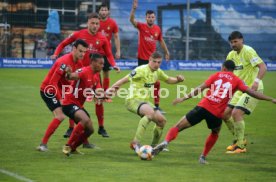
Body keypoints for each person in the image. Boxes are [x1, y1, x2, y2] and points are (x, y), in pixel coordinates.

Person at [152, 60, 276, 164]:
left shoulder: (216, 75)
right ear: (233, 70)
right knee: (215, 132)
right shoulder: (237, 80)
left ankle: (166, 141)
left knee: (178, 126)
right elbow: (253, 93)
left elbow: (200, 88)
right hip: (216, 113)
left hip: (202, 107)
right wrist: (270, 99)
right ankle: (203, 157)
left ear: (223, 67)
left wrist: (183, 98)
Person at [52, 13, 120, 139]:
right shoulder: (79, 34)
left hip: (94, 75)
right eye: (92, 23)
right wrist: (56, 53)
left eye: (97, 24)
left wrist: (114, 64)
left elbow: (109, 54)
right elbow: (64, 43)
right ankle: (71, 128)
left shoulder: (103, 38)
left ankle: (101, 127)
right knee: (74, 99)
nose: (95, 26)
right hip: (78, 75)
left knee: (99, 99)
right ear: (88, 22)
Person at [110, 52, 184, 153]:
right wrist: (109, 90)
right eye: (154, 61)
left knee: (162, 121)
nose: (156, 64)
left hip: (145, 102)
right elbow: (123, 80)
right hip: (132, 100)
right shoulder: (140, 70)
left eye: (159, 62)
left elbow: (168, 80)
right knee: (149, 114)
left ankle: (154, 148)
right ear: (149, 60)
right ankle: (135, 143)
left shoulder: (158, 72)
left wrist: (177, 80)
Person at [37, 39, 88, 152]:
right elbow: (52, 83)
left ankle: (82, 143)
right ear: (74, 49)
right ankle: (43, 144)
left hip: (63, 90)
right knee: (60, 116)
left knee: (78, 115)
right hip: (48, 90)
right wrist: (62, 99)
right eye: (80, 51)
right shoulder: (63, 62)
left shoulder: (79, 63)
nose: (82, 54)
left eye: (84, 52)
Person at [223, 31, 267, 153]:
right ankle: (239, 139)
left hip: (252, 89)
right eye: (231, 42)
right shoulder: (231, 55)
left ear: (242, 40)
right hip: (238, 90)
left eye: (236, 41)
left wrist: (256, 81)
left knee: (236, 113)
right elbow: (228, 73)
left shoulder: (248, 51)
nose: (233, 44)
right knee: (225, 114)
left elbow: (263, 66)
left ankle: (241, 147)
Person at [130, 0, 170, 113]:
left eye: (152, 17)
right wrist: (133, 9)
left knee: (156, 82)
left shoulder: (157, 29)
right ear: (146, 18)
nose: (151, 18)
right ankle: (140, 103)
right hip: (143, 59)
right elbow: (132, 20)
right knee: (142, 82)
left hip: (153, 61)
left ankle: (156, 106)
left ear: (155, 18)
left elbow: (161, 40)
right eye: (149, 17)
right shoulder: (141, 26)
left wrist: (166, 52)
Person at [62, 53, 104, 156]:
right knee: (85, 120)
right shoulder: (84, 71)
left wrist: (102, 95)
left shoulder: (97, 75)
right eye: (101, 63)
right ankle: (67, 146)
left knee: (90, 130)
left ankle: (73, 148)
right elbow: (71, 76)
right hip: (69, 102)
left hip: (78, 105)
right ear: (93, 63)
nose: (103, 66)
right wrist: (68, 73)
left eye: (103, 64)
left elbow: (98, 90)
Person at [98, 3, 121, 93]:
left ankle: (105, 93)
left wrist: (118, 51)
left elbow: (116, 37)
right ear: (99, 11)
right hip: (96, 51)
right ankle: (97, 93)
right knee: (95, 73)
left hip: (106, 52)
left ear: (108, 11)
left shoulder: (112, 23)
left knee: (106, 73)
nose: (103, 12)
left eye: (105, 10)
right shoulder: (95, 22)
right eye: (102, 10)